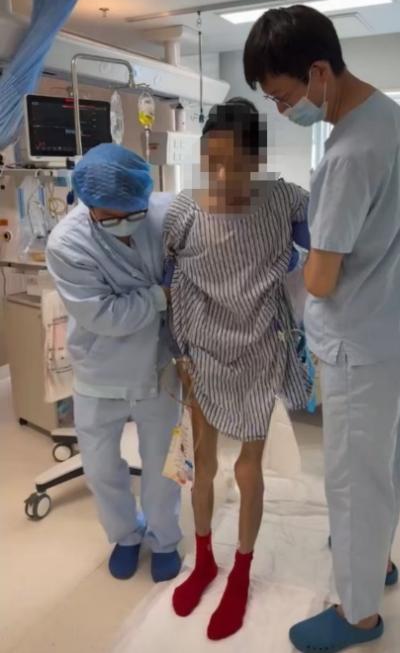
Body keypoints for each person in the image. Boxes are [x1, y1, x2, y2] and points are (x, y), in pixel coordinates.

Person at [243, 6, 400, 652]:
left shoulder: (348, 152)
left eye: (283, 97)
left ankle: (358, 613)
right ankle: (375, 557)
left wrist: (289, 265)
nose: (283, 111)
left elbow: (324, 279)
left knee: (354, 477)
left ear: (318, 72)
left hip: (361, 341)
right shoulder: (392, 118)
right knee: (384, 459)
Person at [164, 99, 311, 641]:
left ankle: (241, 570)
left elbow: (326, 248)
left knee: (249, 471)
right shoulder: (185, 210)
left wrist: (300, 259)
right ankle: (204, 559)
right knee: (202, 465)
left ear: (259, 160)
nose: (222, 176)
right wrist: (180, 355)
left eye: (235, 164)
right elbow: (169, 284)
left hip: (257, 350)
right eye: (212, 162)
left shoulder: (286, 201)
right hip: (202, 351)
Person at [46, 143, 182, 584]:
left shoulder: (166, 213)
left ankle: (165, 539)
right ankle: (124, 535)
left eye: (133, 212)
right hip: (100, 368)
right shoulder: (67, 243)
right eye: (109, 217)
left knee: (165, 463)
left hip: (159, 363)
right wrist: (160, 296)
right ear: (88, 205)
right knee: (101, 466)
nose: (124, 222)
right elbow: (103, 315)